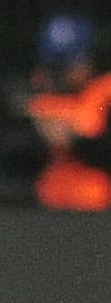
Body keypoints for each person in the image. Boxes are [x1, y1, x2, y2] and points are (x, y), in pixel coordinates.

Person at [24, 12, 111, 211]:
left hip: (100, 212)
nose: (63, 73)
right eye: (56, 66)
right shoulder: (36, 96)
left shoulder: (105, 93)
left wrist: (76, 140)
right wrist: (37, 133)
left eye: (70, 64)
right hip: (46, 212)